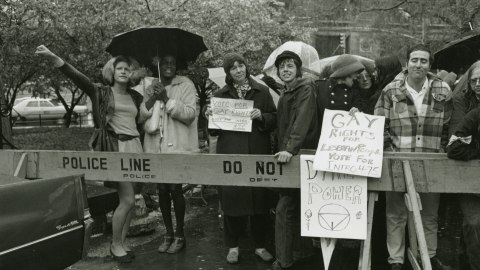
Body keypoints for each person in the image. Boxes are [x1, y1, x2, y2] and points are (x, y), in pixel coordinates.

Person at [35, 45, 143, 264]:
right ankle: (115, 244)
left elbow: (140, 120)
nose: (123, 71)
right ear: (112, 72)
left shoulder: (135, 96)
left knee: (133, 201)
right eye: (119, 68)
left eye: (127, 68)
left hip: (136, 148)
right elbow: (78, 78)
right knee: (128, 199)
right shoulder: (100, 92)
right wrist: (55, 58)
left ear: (131, 73)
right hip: (115, 149)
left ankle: (122, 242)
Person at [374, 44, 453, 270]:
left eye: (424, 61)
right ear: (407, 63)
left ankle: (428, 255)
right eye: (415, 60)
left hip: (432, 162)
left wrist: (442, 150)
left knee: (429, 214)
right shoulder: (391, 90)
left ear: (430, 65)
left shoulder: (443, 89)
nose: (418, 65)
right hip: (398, 160)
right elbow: (380, 124)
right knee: (396, 214)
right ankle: (395, 260)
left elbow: (448, 126)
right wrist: (390, 152)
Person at [205, 53, 276, 264]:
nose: (238, 70)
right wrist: (209, 116)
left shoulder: (261, 91)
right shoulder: (220, 95)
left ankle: (260, 245)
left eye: (241, 66)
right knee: (232, 199)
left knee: (259, 199)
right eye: (233, 68)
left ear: (246, 67)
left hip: (257, 151)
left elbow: (274, 118)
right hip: (231, 152)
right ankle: (233, 246)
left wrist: (262, 116)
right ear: (228, 73)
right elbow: (214, 131)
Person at [139, 55, 198, 254]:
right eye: (165, 63)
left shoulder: (186, 84)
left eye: (173, 63)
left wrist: (166, 99)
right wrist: (155, 96)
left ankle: (180, 235)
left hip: (178, 146)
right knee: (162, 190)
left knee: (175, 188)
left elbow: (190, 114)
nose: (169, 67)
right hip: (156, 147)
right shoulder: (151, 87)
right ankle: (168, 234)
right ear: (158, 65)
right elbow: (141, 115)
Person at [271, 50, 320, 270]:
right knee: (299, 205)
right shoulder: (286, 92)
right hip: (290, 155)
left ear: (298, 69)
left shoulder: (305, 88)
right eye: (282, 67)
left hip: (299, 155)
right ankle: (303, 251)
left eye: (290, 66)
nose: (286, 70)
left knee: (284, 209)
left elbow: (302, 120)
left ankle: (284, 259)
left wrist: (290, 149)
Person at [446, 61, 480, 270]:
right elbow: (456, 140)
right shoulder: (462, 102)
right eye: (474, 80)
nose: (478, 84)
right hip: (467, 172)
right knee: (474, 223)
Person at [316, 54, 365, 126]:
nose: (356, 77)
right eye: (355, 72)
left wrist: (357, 112)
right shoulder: (319, 87)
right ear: (346, 72)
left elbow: (360, 109)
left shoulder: (354, 90)